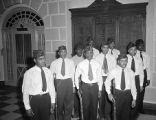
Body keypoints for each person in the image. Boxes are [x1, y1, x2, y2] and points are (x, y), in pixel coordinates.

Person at [22, 50, 56, 120]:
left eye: (44, 58)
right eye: (40, 59)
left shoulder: (48, 71)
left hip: (46, 98)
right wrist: (27, 107)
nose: (43, 61)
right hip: (34, 99)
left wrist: (53, 101)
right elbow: (25, 91)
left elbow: (51, 87)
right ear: (35, 60)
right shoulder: (29, 73)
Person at [105, 54, 137, 120]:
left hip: (127, 94)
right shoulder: (114, 71)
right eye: (122, 61)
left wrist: (134, 98)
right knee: (116, 113)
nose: (124, 62)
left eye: (126, 61)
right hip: (117, 94)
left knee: (126, 113)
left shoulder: (130, 72)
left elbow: (133, 86)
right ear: (118, 61)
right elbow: (106, 82)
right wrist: (109, 93)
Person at [75, 45, 103, 120]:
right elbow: (76, 77)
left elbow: (100, 77)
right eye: (88, 53)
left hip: (94, 87)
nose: (90, 54)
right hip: (85, 87)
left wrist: (100, 89)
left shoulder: (97, 64)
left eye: (91, 52)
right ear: (85, 54)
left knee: (94, 105)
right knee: (85, 106)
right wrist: (78, 88)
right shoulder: (81, 64)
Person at [50, 45, 75, 120]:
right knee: (59, 103)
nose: (63, 53)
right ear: (58, 53)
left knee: (68, 103)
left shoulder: (71, 62)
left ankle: (67, 118)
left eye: (65, 51)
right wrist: (52, 87)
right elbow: (51, 76)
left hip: (68, 82)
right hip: (59, 83)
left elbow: (73, 74)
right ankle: (59, 118)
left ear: (66, 52)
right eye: (61, 52)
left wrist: (73, 86)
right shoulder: (54, 63)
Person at [95, 41, 117, 120]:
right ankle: (101, 115)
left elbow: (114, 69)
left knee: (109, 96)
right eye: (104, 47)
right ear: (101, 48)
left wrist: (113, 79)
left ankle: (107, 114)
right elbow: (96, 70)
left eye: (107, 48)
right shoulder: (97, 57)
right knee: (101, 97)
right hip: (100, 78)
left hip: (109, 78)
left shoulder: (112, 57)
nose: (106, 49)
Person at [126, 42, 144, 119]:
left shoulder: (138, 59)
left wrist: (141, 84)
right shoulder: (125, 57)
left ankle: (134, 115)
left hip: (136, 78)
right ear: (128, 50)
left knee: (135, 97)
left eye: (135, 50)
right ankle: (127, 114)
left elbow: (141, 72)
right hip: (127, 78)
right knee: (128, 97)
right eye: (131, 49)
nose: (133, 51)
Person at [135, 39, 151, 113]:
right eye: (139, 44)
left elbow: (148, 67)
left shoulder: (146, 55)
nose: (141, 46)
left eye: (142, 44)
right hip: (136, 73)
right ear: (136, 45)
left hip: (144, 73)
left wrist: (148, 78)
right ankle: (134, 108)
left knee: (142, 92)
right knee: (135, 92)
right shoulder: (134, 53)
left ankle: (140, 108)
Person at [72, 43, 84, 118]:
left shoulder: (85, 58)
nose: (80, 51)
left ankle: (82, 112)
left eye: (81, 49)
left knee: (84, 97)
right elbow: (73, 72)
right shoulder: (72, 59)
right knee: (76, 98)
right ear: (76, 50)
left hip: (84, 81)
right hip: (77, 81)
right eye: (78, 49)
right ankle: (76, 112)